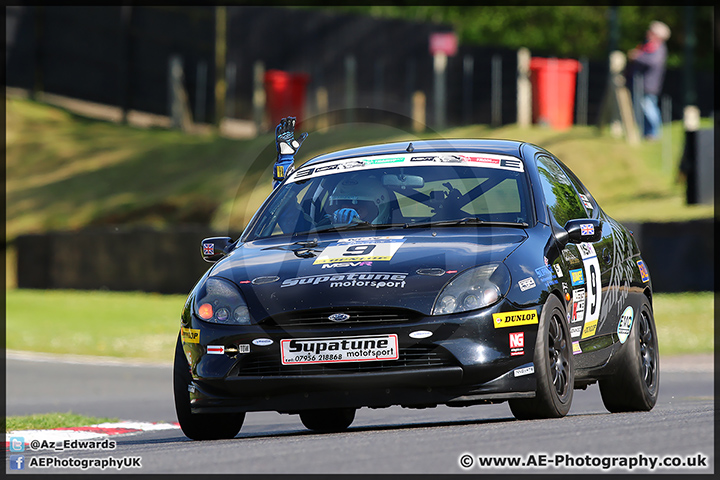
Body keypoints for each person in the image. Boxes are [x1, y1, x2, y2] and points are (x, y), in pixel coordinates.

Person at [626, 21, 671, 140]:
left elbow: (652, 62)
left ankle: (654, 133)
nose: (648, 33)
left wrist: (637, 56)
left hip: (649, 85)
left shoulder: (658, 48)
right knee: (643, 109)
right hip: (642, 84)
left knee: (649, 108)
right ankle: (647, 134)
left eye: (651, 31)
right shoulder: (648, 45)